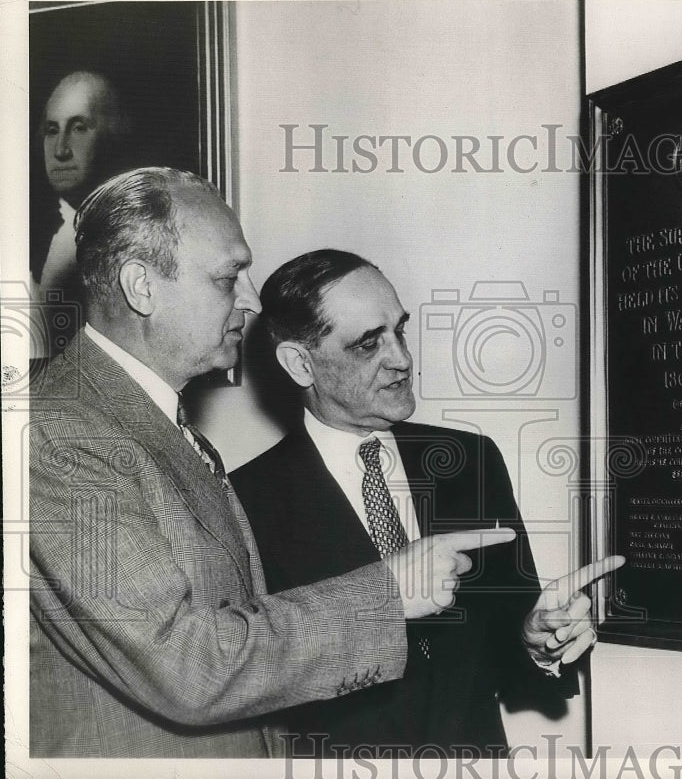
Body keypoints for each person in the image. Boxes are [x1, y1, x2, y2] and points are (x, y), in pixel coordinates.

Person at [28, 167, 514, 758]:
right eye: (227, 277)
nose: (251, 300)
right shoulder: (59, 432)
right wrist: (390, 591)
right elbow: (191, 666)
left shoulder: (162, 427)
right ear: (142, 287)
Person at [231, 249, 623, 758]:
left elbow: (506, 643)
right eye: (369, 344)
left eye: (400, 330)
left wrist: (535, 640)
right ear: (299, 363)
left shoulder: (468, 461)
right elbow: (252, 674)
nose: (401, 359)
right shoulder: (244, 500)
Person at [30, 71, 134, 357]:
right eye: (52, 130)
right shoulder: (25, 237)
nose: (60, 150)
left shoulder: (137, 236)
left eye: (78, 128)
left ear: (112, 138)